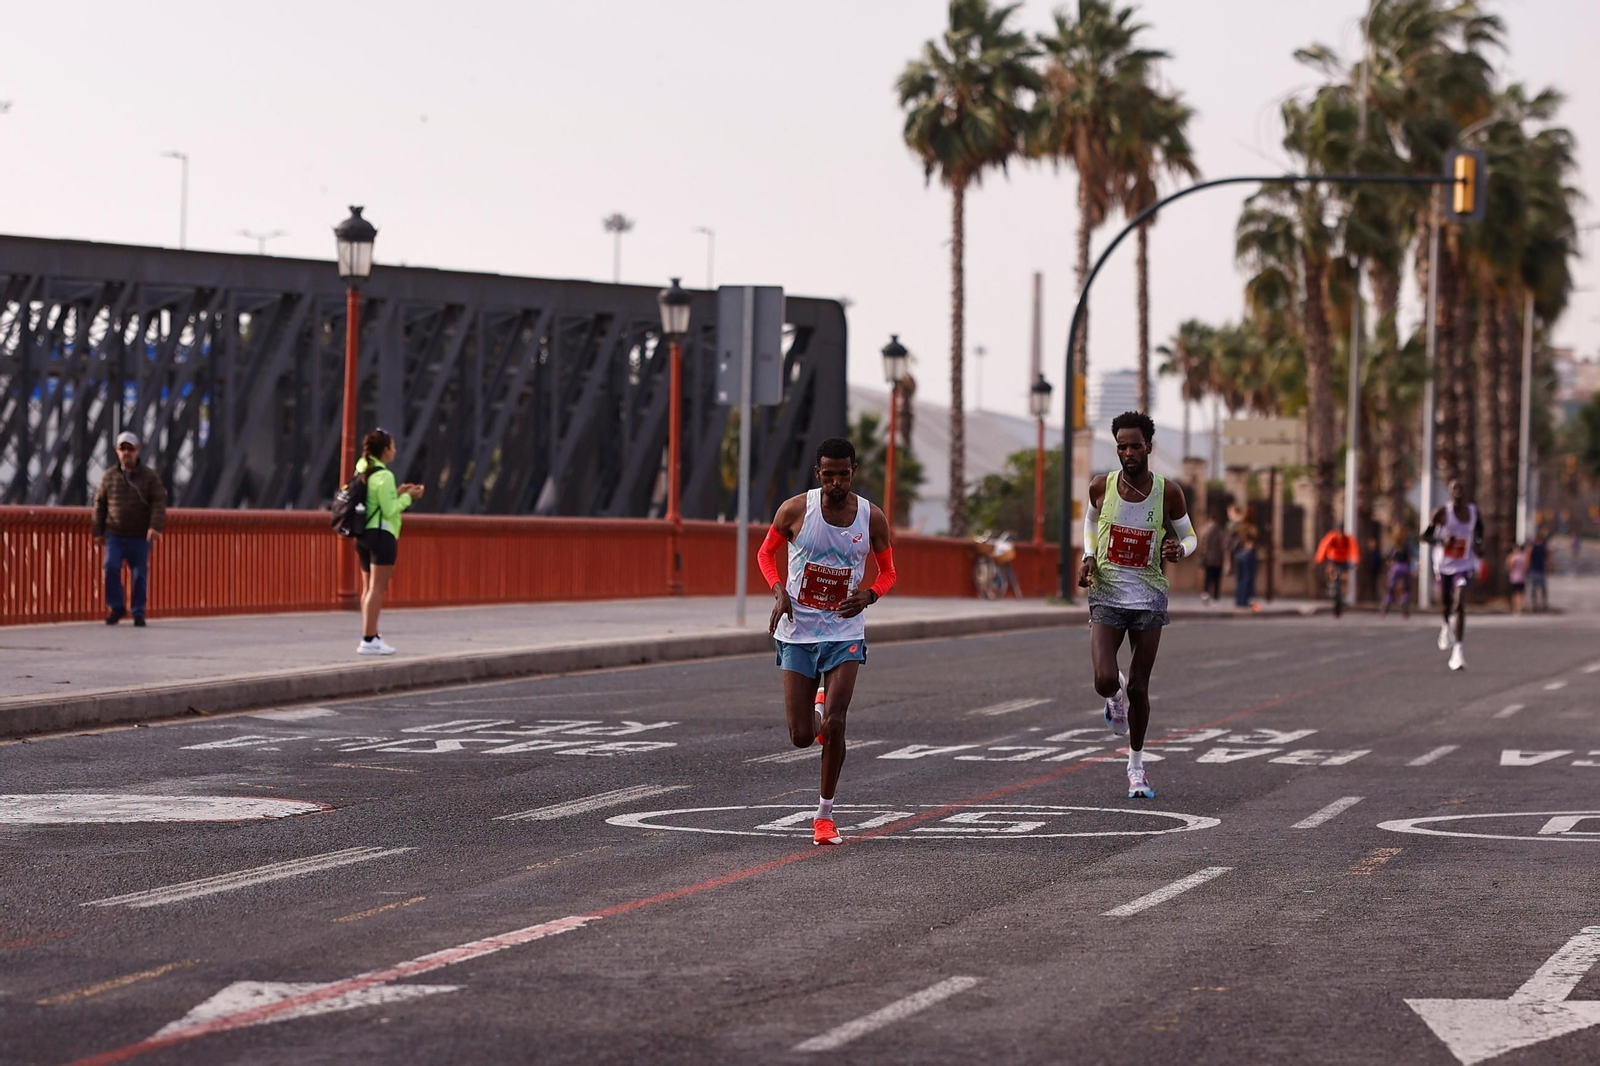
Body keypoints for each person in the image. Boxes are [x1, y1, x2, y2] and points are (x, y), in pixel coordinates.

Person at [758, 437, 895, 846]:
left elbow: (889, 572)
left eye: (844, 474)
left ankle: (824, 814)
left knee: (837, 722)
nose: (836, 482)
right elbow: (765, 554)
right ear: (818, 473)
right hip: (798, 630)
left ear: (854, 472)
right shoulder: (795, 510)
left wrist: (869, 595)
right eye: (829, 475)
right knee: (801, 735)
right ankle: (815, 713)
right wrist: (779, 591)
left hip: (844, 630)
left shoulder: (871, 517)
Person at [1078, 411, 1196, 800]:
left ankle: (1136, 767)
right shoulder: (1101, 486)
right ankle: (1115, 699)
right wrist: (1089, 555)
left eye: (1135, 446)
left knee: (1140, 686)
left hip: (1148, 596)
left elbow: (1190, 536)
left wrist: (1179, 549)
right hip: (1107, 592)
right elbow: (1090, 523)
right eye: (1122, 446)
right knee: (1104, 680)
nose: (1128, 453)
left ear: (1149, 447)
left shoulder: (1168, 492)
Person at [352, 429, 424, 656]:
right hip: (382, 535)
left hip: (363, 534)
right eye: (392, 446)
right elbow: (390, 509)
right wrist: (409, 497)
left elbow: (375, 501)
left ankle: (371, 634)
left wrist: (396, 492)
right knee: (377, 589)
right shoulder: (384, 475)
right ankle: (368, 639)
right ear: (385, 450)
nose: (395, 450)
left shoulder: (363, 468)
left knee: (368, 588)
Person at [92, 432, 167, 627]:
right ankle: (116, 607)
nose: (126, 452)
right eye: (123, 449)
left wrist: (155, 527)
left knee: (139, 574)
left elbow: (158, 503)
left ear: (137, 451)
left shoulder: (150, 477)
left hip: (140, 535)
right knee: (110, 567)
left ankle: (138, 612)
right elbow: (100, 505)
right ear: (117, 451)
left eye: (130, 449)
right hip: (115, 534)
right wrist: (98, 531)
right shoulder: (108, 477)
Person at [1422, 478, 1484, 672]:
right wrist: (1442, 541)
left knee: (1460, 602)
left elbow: (1480, 531)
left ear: (1465, 492)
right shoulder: (1442, 513)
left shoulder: (1473, 512)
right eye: (1454, 489)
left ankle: (1458, 651)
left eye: (1460, 488)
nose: (1457, 492)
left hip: (1464, 565)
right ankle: (1446, 625)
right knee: (1446, 602)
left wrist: (1479, 544)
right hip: (1444, 566)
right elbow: (1425, 536)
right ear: (1449, 492)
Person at [1314, 525, 1361, 611]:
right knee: (1330, 570)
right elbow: (1323, 547)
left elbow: (1354, 549)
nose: (1340, 535)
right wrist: (1319, 559)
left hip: (1344, 560)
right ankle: (1330, 583)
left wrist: (1356, 561)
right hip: (1333, 559)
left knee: (1344, 577)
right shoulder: (1332, 537)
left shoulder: (1348, 539)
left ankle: (1344, 592)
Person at [1380, 525, 1416, 619]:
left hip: (1395, 567)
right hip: (1405, 567)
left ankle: (1385, 609)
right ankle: (1404, 609)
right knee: (1406, 589)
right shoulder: (1408, 545)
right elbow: (1411, 557)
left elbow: (1387, 557)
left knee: (1390, 589)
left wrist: (1389, 564)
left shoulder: (1394, 545)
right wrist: (1413, 569)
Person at [1197, 516, 1227, 604]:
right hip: (1218, 560)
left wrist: (1203, 555)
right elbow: (1223, 546)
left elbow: (1202, 544)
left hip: (1209, 559)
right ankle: (1215, 596)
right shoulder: (1220, 532)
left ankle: (1206, 593)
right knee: (1217, 579)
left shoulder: (1206, 531)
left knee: (1208, 577)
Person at [1232, 524, 1259, 608]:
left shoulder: (1238, 528)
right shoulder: (1250, 529)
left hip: (1240, 555)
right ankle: (1244, 600)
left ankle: (1240, 600)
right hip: (1247, 555)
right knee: (1247, 579)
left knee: (1241, 579)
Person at [992, 530, 1023, 598]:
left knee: (1001, 572)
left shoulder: (1000, 543)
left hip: (1000, 559)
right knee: (1009, 573)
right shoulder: (1007, 544)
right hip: (1005, 558)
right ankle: (1016, 592)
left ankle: (1000, 588)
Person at [1527, 527, 1549, 612]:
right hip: (1538, 569)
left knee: (1536, 588)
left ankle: (1537, 604)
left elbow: (1528, 558)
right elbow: (1547, 558)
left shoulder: (1533, 547)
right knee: (1540, 588)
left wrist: (1527, 568)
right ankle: (1540, 604)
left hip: (1536, 569)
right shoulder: (1540, 547)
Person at [1505, 542, 1530, 616]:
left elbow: (1508, 566)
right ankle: (1520, 607)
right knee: (1521, 593)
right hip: (1522, 577)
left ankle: (1515, 608)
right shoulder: (1524, 556)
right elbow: (1527, 566)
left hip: (1514, 577)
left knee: (1515, 594)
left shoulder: (1512, 557)